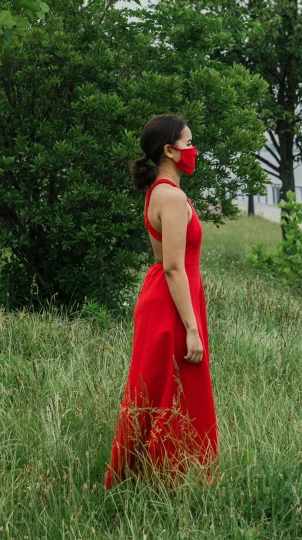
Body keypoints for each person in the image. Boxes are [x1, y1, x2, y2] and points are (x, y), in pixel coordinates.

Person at [104, 113, 221, 490]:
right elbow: (173, 267)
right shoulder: (170, 197)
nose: (193, 150)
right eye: (188, 144)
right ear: (170, 151)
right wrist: (192, 329)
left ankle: (160, 478)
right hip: (171, 302)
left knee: (162, 390)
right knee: (167, 389)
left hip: (168, 297)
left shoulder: (161, 191)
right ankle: (160, 479)